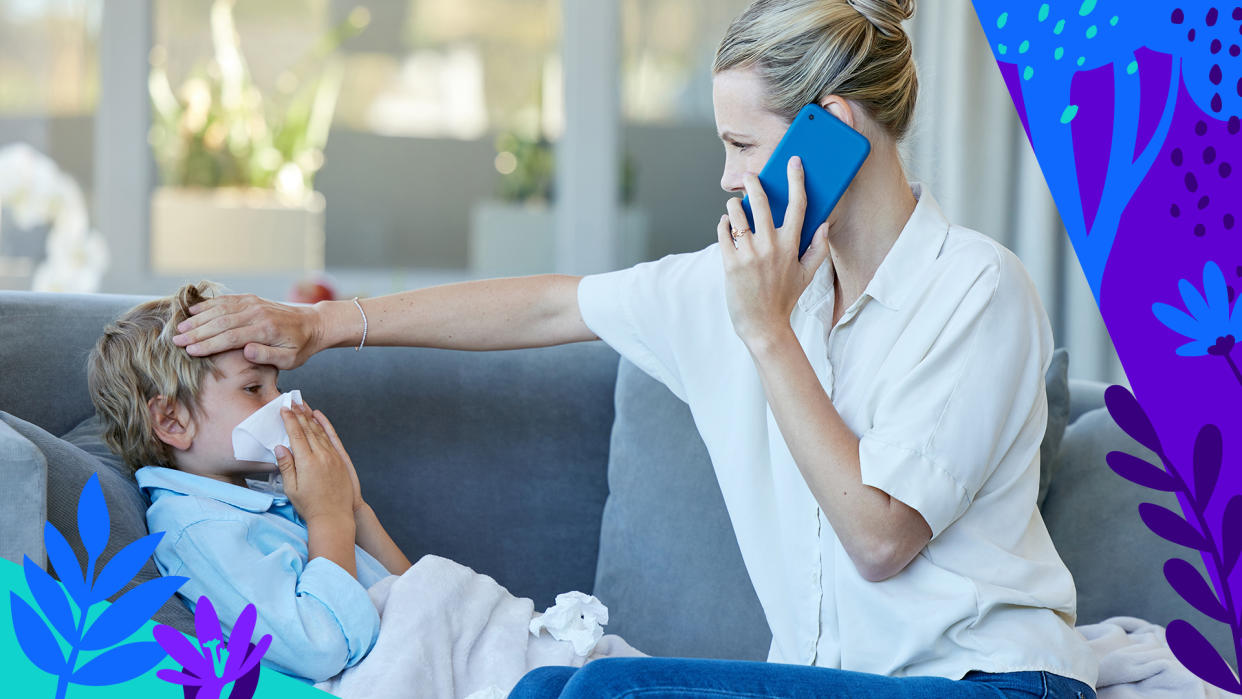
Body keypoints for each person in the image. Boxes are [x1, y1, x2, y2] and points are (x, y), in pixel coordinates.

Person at [168, 1, 1099, 696]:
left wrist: (767, 332)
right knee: (550, 690)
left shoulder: (976, 290)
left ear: (837, 129)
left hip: (989, 682)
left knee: (598, 690)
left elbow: (881, 536)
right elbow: (546, 306)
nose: (731, 180)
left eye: (744, 144)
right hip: (844, 684)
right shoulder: (743, 285)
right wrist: (326, 326)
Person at [86, 282, 643, 690]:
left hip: (470, 654)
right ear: (171, 422)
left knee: (609, 666)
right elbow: (319, 645)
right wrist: (328, 519)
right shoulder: (199, 530)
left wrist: (352, 506)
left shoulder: (264, 497)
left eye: (277, 384)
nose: (281, 403)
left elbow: (411, 593)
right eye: (254, 388)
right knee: (604, 682)